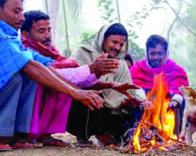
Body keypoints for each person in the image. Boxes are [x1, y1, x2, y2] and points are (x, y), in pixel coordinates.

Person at [0, 0, 105, 151]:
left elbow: (49, 68)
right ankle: (5, 135)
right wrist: (78, 91)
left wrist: (82, 86)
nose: (21, 18)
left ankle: (21, 135)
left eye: (21, 11)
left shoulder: (14, 41)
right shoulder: (4, 38)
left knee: (47, 79)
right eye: (15, 12)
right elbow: (32, 68)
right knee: (23, 77)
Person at [20, 10, 136, 147]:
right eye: (41, 31)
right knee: (73, 90)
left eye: (49, 30)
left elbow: (73, 77)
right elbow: (61, 77)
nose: (48, 36)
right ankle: (22, 135)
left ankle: (45, 135)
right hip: (27, 101)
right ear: (102, 39)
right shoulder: (24, 52)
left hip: (106, 105)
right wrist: (92, 69)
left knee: (128, 110)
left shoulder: (52, 53)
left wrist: (110, 85)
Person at [67, 23, 149, 147]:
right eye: (114, 42)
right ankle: (83, 136)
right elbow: (72, 82)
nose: (117, 47)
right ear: (102, 39)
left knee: (137, 108)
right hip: (82, 108)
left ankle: (113, 135)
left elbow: (127, 90)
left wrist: (130, 101)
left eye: (121, 44)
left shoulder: (121, 64)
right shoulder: (84, 53)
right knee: (90, 92)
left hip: (110, 110)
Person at [130, 34, 189, 135]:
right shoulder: (137, 69)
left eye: (160, 53)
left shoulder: (176, 70)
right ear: (147, 53)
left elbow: (181, 90)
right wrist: (142, 100)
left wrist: (175, 100)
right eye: (152, 53)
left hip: (167, 114)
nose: (156, 57)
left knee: (180, 101)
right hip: (142, 113)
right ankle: (138, 135)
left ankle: (172, 138)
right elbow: (131, 88)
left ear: (166, 53)